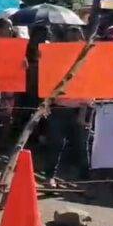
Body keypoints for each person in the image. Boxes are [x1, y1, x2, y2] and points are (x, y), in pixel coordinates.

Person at [43, 26, 92, 185]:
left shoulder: (88, 60)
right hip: (59, 107)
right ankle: (50, 176)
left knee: (81, 145)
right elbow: (49, 82)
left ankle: (84, 178)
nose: (73, 41)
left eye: (76, 38)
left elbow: (91, 87)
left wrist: (83, 112)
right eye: (70, 38)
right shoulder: (58, 59)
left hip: (80, 107)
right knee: (55, 144)